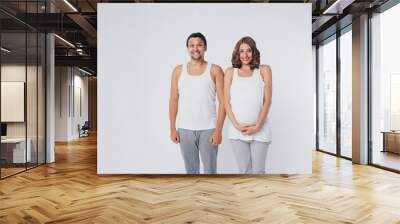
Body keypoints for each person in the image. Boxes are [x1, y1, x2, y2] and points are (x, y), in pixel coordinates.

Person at [169, 32, 226, 174]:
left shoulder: (215, 70)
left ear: (205, 47)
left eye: (199, 45)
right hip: (184, 129)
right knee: (191, 172)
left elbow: (223, 102)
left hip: (209, 129)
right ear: (187, 48)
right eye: (192, 45)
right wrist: (172, 128)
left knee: (210, 171)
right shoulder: (178, 71)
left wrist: (218, 130)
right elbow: (173, 100)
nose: (196, 48)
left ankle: (209, 196)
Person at [224, 36, 272, 174]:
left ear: (254, 52)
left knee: (258, 172)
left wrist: (257, 126)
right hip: (237, 131)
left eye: (249, 51)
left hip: (260, 130)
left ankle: (259, 196)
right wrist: (237, 125)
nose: (245, 55)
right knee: (244, 171)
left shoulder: (264, 70)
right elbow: (226, 103)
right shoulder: (230, 72)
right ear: (237, 54)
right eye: (242, 51)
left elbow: (267, 101)